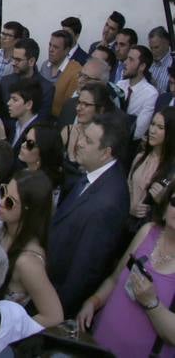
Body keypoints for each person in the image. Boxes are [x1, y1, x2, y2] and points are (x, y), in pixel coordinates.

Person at [48, 111, 133, 315]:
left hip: (57, 300)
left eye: (88, 140)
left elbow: (84, 270)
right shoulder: (92, 175)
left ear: (106, 152)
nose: (79, 143)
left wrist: (55, 311)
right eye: (83, 136)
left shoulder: (108, 203)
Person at [80, 183, 175, 355]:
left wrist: (151, 303)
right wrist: (94, 301)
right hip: (101, 340)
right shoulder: (148, 231)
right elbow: (114, 279)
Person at [0, 171, 65, 327]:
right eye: (3, 191)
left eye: (10, 202)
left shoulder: (27, 262)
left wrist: (8, 331)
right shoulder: (4, 229)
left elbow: (54, 316)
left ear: (29, 210)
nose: (1, 201)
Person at [130, 107, 175, 225]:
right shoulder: (140, 157)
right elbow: (127, 187)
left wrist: (162, 201)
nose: (152, 131)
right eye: (152, 124)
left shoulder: (172, 170)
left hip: (149, 226)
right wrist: (131, 206)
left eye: (160, 127)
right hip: (126, 220)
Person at [122, 44, 160, 140]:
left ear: (142, 66)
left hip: (129, 143)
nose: (125, 63)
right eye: (127, 58)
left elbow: (138, 131)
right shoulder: (120, 85)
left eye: (131, 59)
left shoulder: (150, 94)